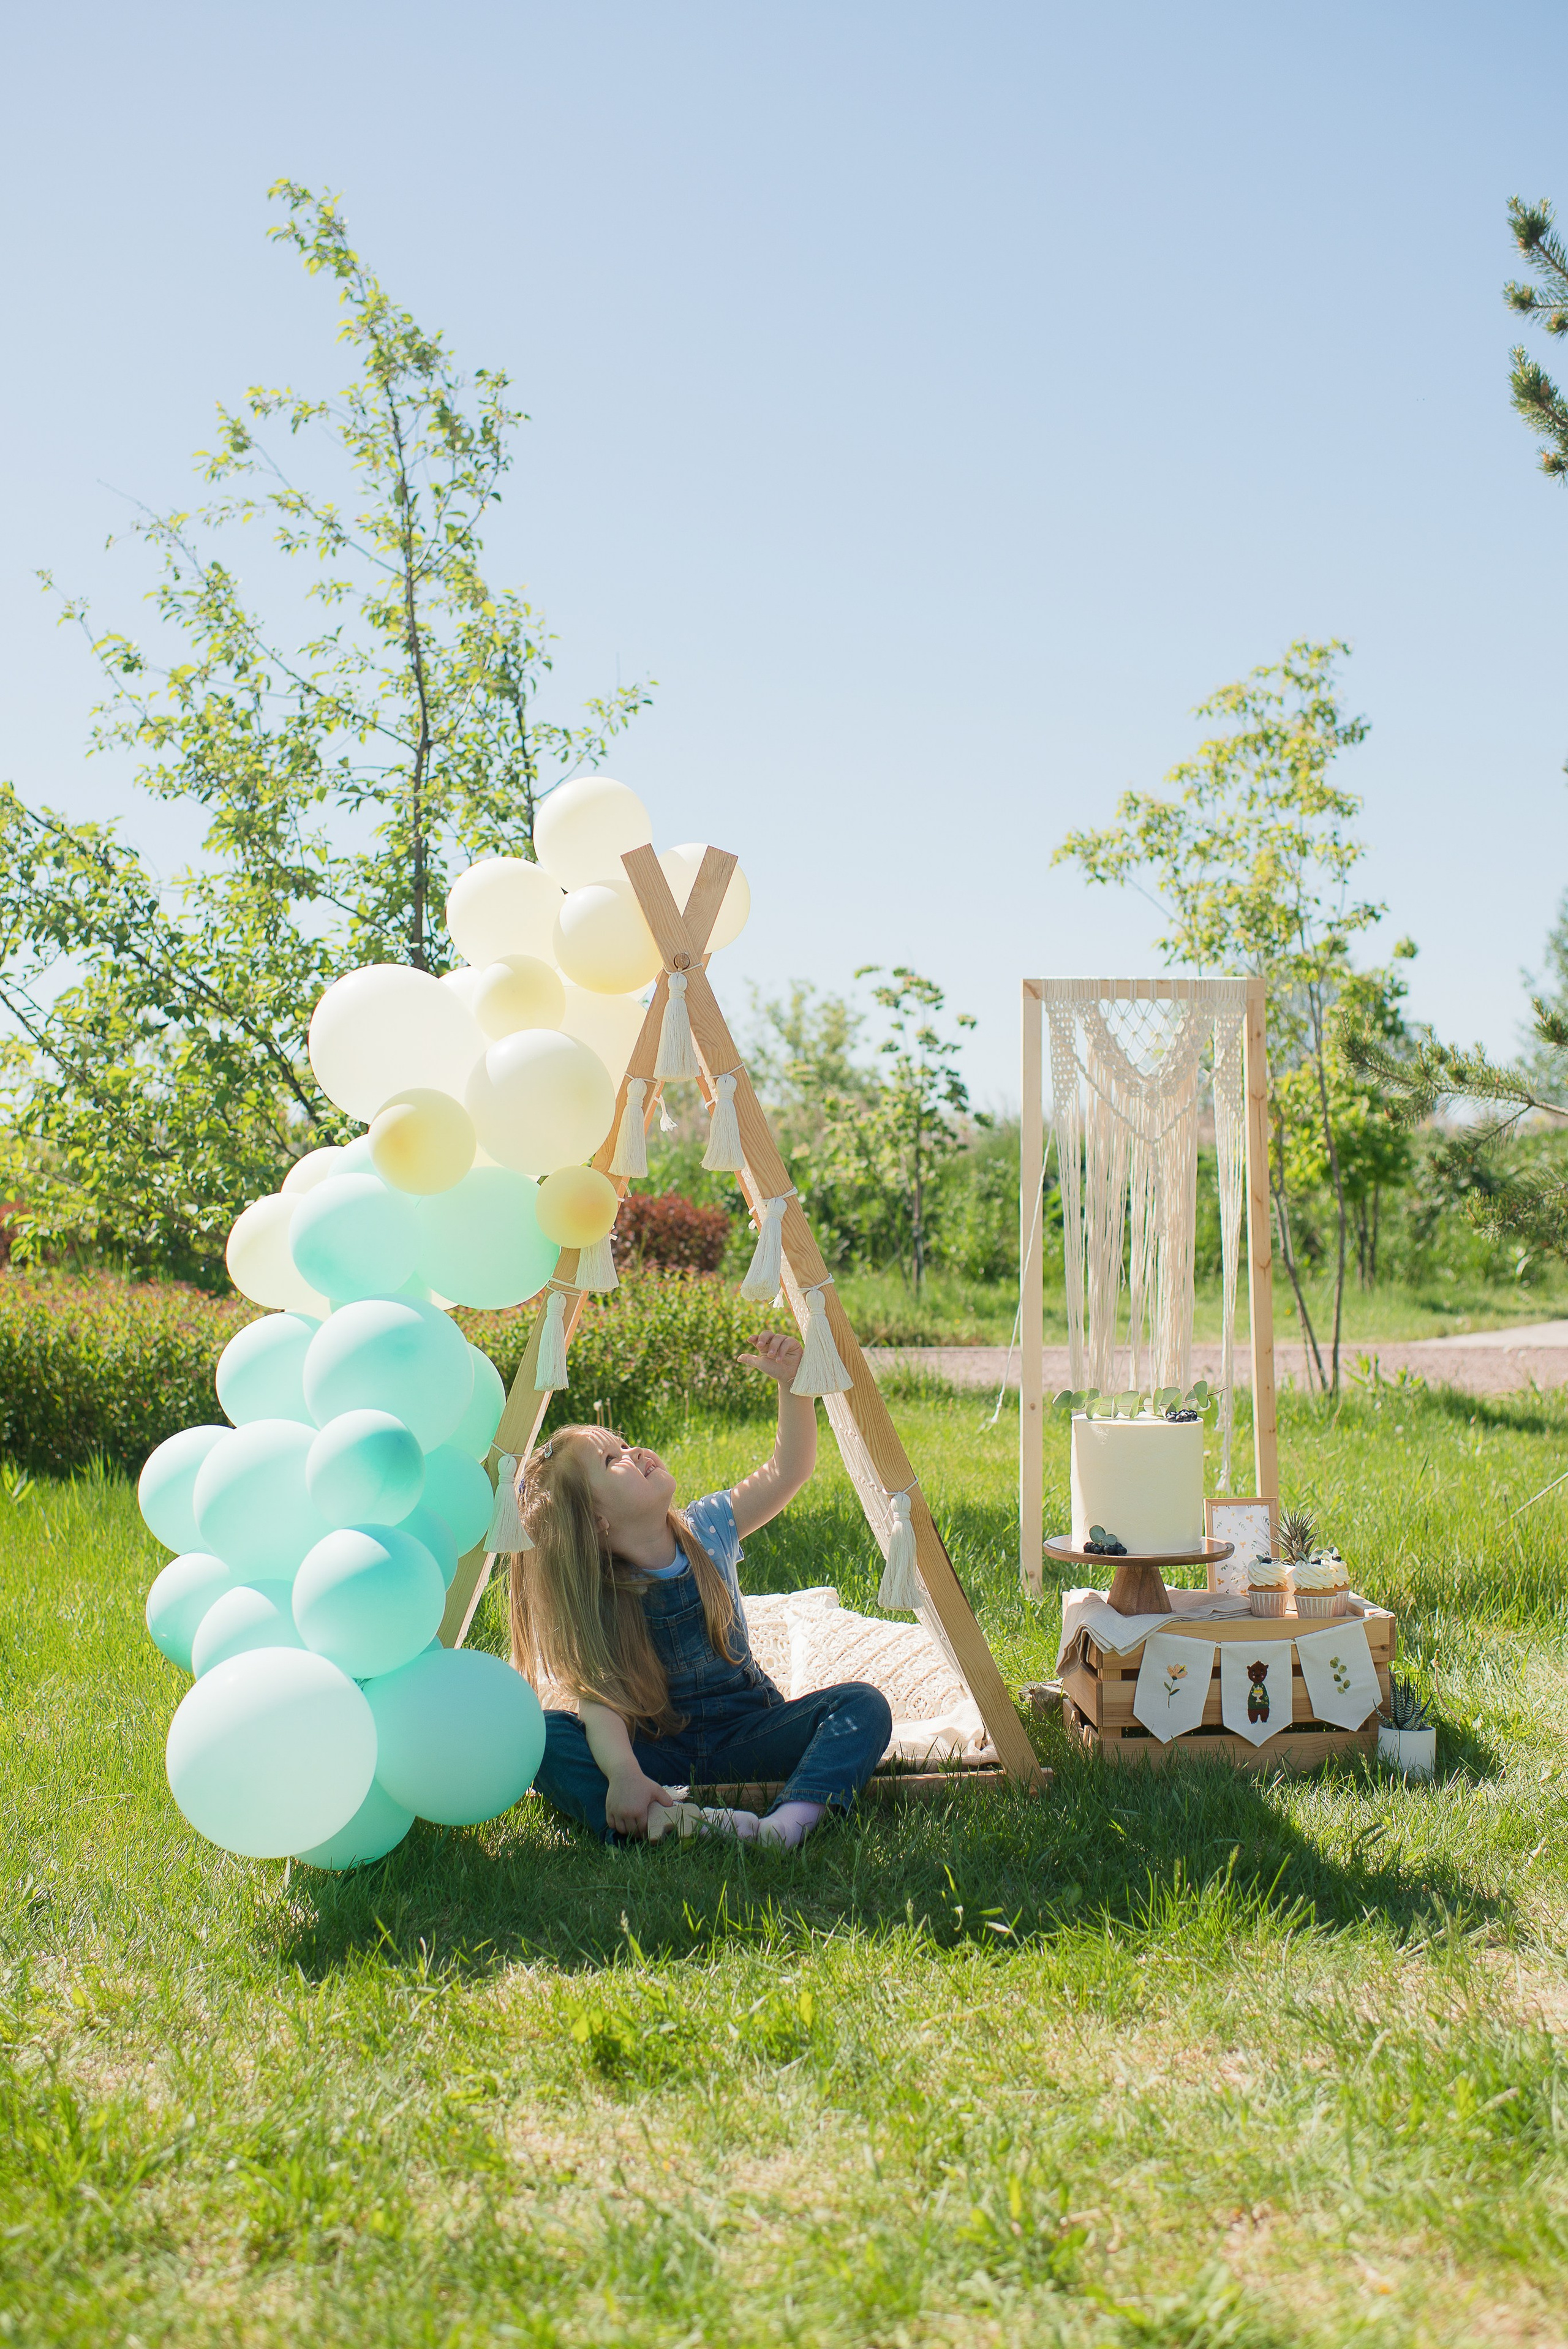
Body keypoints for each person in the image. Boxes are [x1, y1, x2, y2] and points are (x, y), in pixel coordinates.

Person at [512, 1329, 892, 1847]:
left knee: (861, 1706)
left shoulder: (707, 1528)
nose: (635, 1450)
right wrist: (624, 1774)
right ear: (596, 1521)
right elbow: (602, 1704)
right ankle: (652, 1821)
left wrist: (792, 1389)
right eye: (611, 1460)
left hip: (747, 1734)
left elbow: (788, 1471)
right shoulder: (601, 1591)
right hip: (656, 1753)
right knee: (542, 1738)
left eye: (624, 1443)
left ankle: (784, 1827)